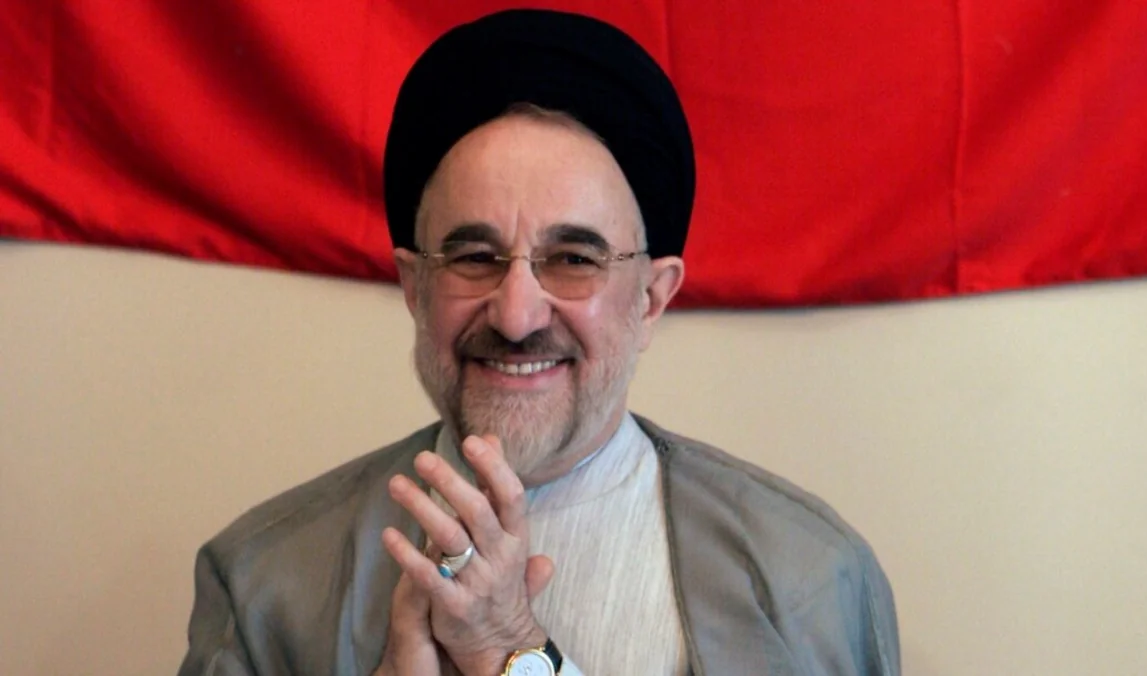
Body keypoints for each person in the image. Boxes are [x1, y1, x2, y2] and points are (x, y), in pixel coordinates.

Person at [178, 9, 900, 676]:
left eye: (574, 259)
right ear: (415, 287)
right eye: (474, 257)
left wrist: (508, 652)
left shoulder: (808, 580)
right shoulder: (263, 583)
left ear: (651, 298)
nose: (517, 316)